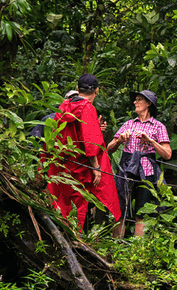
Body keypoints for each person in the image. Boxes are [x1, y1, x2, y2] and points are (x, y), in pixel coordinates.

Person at [46, 74, 121, 229]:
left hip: (62, 164)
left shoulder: (64, 107)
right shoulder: (87, 108)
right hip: (80, 167)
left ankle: (61, 233)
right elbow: (90, 142)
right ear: (96, 91)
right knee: (78, 206)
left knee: (63, 204)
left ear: (78, 89)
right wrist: (96, 167)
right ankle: (75, 237)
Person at [107, 89, 172, 238]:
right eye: (135, 99)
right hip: (126, 167)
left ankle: (138, 249)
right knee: (120, 208)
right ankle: (116, 245)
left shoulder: (158, 126)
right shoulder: (128, 124)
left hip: (146, 170)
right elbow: (109, 148)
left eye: (139, 99)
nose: (135, 102)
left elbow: (167, 154)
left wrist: (151, 141)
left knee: (142, 211)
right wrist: (119, 140)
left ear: (148, 103)